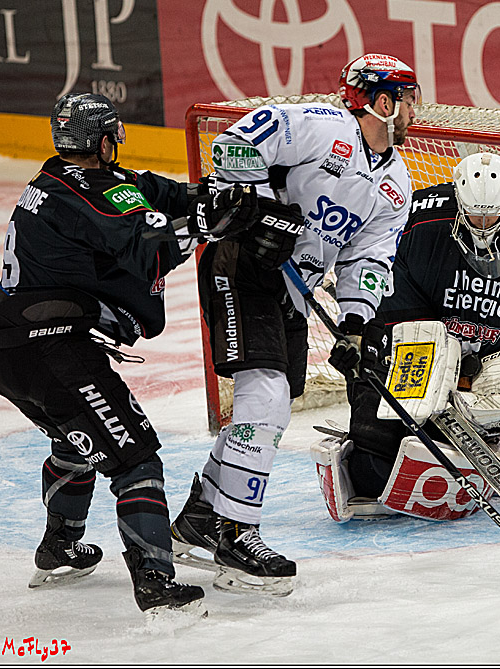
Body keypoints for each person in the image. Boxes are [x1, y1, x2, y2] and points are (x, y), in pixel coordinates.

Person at [0, 92, 233, 614]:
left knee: (76, 440)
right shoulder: (93, 193)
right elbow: (152, 247)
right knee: (134, 457)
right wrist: (213, 222)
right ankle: (155, 583)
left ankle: (61, 545)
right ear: (100, 139)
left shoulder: (55, 182)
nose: (120, 142)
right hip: (55, 354)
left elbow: (159, 193)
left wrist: (213, 201)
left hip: (4, 352)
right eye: (114, 132)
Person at [170, 54, 419, 594]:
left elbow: (369, 257)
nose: (410, 109)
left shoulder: (396, 182)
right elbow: (233, 145)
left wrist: (355, 325)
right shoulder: (319, 126)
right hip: (242, 263)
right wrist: (262, 211)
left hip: (293, 289)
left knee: (274, 407)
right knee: (265, 397)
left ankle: (200, 516)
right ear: (380, 101)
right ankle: (236, 531)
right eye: (405, 96)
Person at [311, 151, 500, 522]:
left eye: (492, 215)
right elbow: (391, 301)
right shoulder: (419, 222)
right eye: (474, 214)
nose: (482, 224)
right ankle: (382, 444)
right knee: (371, 456)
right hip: (417, 352)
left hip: (483, 374)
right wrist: (434, 364)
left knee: (462, 438)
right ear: (458, 200)